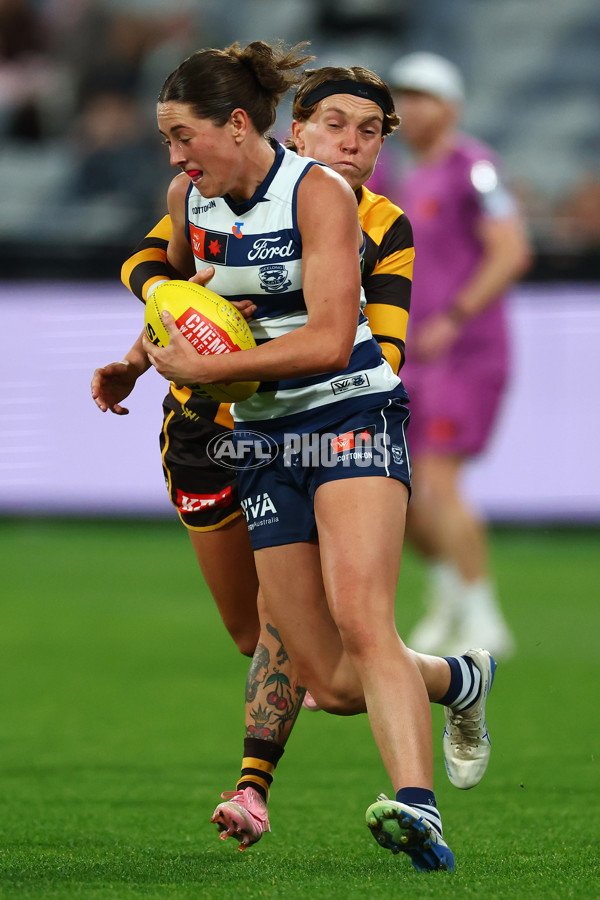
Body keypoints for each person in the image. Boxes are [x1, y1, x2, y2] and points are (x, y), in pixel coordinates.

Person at [137, 42, 496, 873]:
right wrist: (137, 355)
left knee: (365, 620)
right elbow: (181, 288)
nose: (352, 143)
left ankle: (415, 808)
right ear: (294, 126)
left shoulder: (336, 202)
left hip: (348, 417)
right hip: (250, 433)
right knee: (326, 678)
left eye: (370, 131)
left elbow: (345, 343)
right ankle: (458, 680)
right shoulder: (196, 193)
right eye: (335, 123)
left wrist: (214, 369)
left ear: (236, 124)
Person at [382, 52, 532, 659]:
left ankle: (483, 615)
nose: (412, 108)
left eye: (424, 97)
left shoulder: (476, 168)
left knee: (439, 483)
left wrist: (456, 316)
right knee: (406, 489)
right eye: (406, 97)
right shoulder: (396, 174)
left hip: (464, 353)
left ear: (451, 107)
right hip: (414, 354)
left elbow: (511, 250)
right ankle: (449, 590)